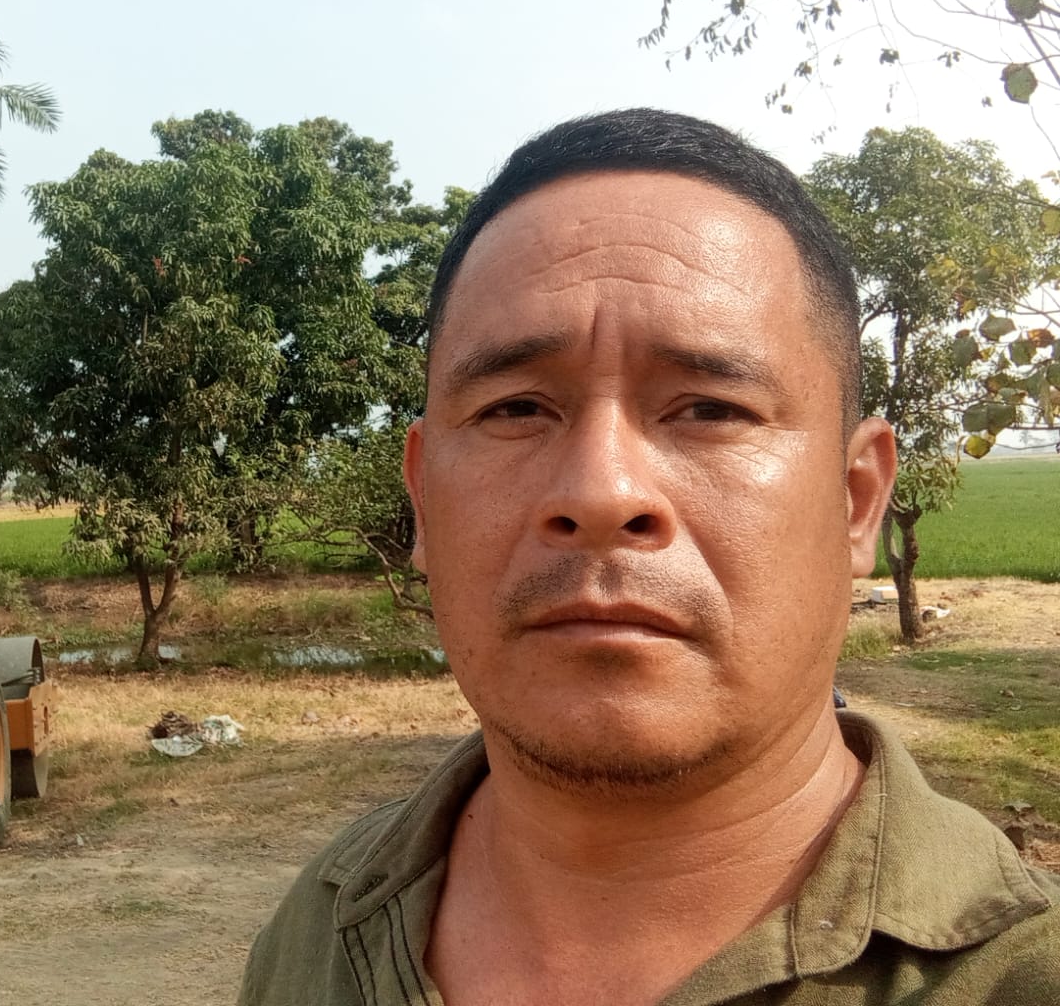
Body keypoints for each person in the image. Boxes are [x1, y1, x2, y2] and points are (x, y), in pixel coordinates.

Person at [239, 109, 1060, 1005]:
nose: (601, 493)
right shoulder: (321, 927)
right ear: (424, 499)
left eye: (709, 409)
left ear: (856, 501)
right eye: (517, 409)